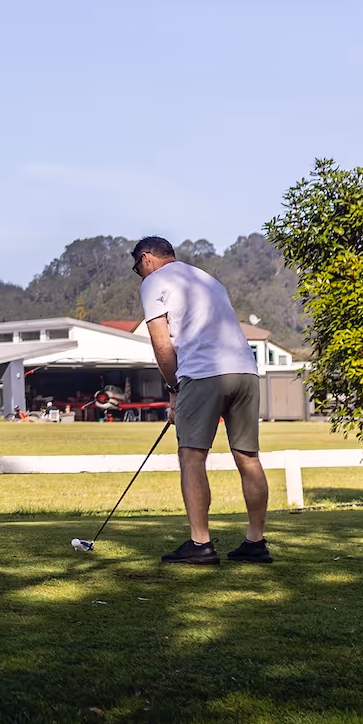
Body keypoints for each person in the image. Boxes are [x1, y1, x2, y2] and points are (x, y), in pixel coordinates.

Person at [133, 236, 271, 564]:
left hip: (204, 373)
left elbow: (162, 345)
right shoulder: (206, 278)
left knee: (192, 457)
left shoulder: (154, 282)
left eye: (137, 266)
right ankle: (255, 542)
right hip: (245, 372)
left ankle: (200, 544)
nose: (139, 273)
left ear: (147, 258)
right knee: (248, 457)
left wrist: (174, 389)